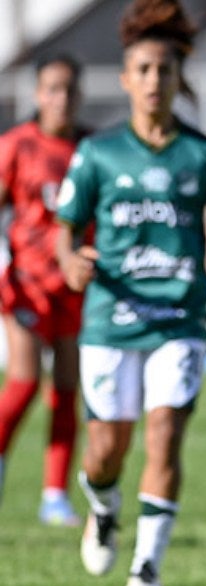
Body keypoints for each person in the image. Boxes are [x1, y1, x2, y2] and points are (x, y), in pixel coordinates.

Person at [55, 0, 206, 586]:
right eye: (142, 69)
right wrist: (70, 261)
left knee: (164, 432)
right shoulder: (98, 154)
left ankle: (147, 565)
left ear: (177, 76)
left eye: (164, 70)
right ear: (125, 78)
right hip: (110, 319)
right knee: (105, 451)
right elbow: (66, 229)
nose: (153, 80)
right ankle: (104, 505)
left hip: (179, 318)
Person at [0, 53, 90, 526]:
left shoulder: (92, 149)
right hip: (27, 284)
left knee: (67, 388)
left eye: (70, 89)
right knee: (25, 379)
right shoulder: (16, 145)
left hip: (74, 286)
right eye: (53, 88)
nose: (62, 98)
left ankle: (54, 495)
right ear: (38, 94)